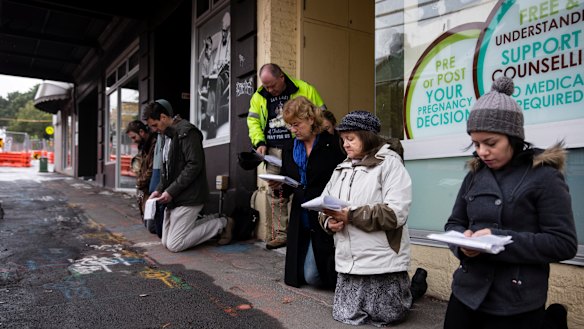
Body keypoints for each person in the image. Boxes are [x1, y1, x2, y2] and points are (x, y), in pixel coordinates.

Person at [443, 76, 577, 329]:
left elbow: (564, 243)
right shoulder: (475, 174)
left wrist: (498, 240)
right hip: (465, 294)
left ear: (513, 137)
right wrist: (464, 244)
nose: (482, 152)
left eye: (491, 143)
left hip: (516, 301)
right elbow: (455, 223)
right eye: (476, 143)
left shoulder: (544, 176)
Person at [318, 110, 414, 326]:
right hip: (348, 264)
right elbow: (324, 205)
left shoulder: (390, 164)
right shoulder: (341, 169)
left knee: (389, 317)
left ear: (368, 136)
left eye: (351, 139)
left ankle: (411, 290)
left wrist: (350, 215)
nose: (345, 145)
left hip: (382, 263)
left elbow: (395, 214)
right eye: (343, 140)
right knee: (346, 316)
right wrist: (328, 221)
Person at [265, 96, 345, 289]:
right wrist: (278, 187)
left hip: (325, 213)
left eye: (296, 125)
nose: (293, 130)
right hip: (300, 215)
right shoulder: (289, 148)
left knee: (313, 277)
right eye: (290, 126)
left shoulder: (332, 144)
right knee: (298, 275)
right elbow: (288, 182)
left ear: (310, 119)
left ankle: (343, 280)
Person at [247, 63, 326, 250]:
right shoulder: (259, 96)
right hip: (273, 150)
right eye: (266, 86)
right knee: (276, 191)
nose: (269, 90)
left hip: (298, 146)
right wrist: (259, 143)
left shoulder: (305, 89)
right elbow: (253, 121)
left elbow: (322, 114)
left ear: (282, 77)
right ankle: (279, 234)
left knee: (301, 185)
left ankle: (301, 230)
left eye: (272, 85)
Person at [143, 100, 231, 252]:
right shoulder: (166, 136)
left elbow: (194, 165)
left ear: (163, 117)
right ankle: (214, 218)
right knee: (165, 240)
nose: (154, 130)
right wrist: (158, 190)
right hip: (176, 197)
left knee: (174, 245)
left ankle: (223, 223)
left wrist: (170, 191)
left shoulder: (187, 132)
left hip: (190, 196)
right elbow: (166, 170)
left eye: (154, 125)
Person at [125, 119, 157, 227]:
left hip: (151, 189)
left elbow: (152, 168)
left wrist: (140, 182)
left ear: (142, 132)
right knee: (148, 224)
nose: (133, 141)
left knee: (151, 226)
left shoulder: (153, 144)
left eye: (134, 137)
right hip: (146, 189)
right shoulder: (144, 146)